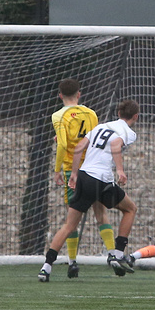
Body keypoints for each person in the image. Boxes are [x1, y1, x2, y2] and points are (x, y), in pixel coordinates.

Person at [39, 100, 140, 282]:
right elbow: (116, 146)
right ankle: (117, 253)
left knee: (69, 225)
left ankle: (46, 267)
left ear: (118, 113)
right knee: (130, 209)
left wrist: (74, 175)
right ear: (135, 117)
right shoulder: (128, 131)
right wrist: (120, 170)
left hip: (84, 177)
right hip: (101, 181)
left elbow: (79, 147)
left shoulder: (101, 127)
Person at [51, 78, 115, 279]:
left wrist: (57, 171)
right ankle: (113, 255)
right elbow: (92, 141)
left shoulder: (59, 115)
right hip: (93, 170)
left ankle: (72, 262)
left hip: (73, 170)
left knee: (72, 220)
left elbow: (62, 145)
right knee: (101, 213)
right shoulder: (91, 114)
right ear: (79, 94)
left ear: (60, 95)